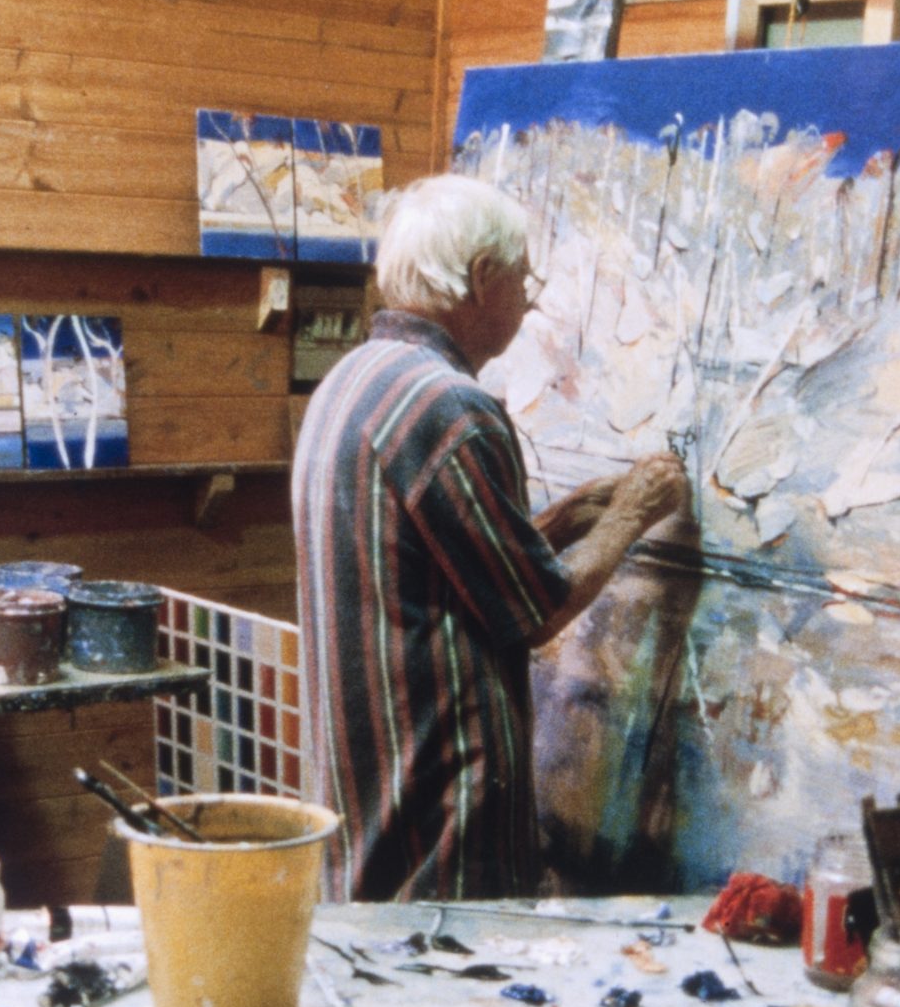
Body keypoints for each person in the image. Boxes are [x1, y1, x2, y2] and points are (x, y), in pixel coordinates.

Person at [293, 174, 689, 902]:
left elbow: (441, 561)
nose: (530, 296)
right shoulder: (451, 408)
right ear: (480, 279)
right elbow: (534, 605)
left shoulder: (351, 381)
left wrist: (567, 517)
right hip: (438, 814)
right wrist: (634, 511)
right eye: (521, 275)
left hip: (365, 793)